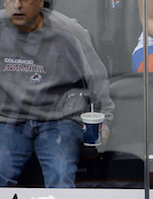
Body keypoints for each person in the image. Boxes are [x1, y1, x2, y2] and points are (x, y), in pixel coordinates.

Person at [0, 0, 114, 188]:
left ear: (40, 2)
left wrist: (105, 121)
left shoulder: (69, 32)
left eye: (25, 0)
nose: (17, 5)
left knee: (60, 175)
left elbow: (97, 78)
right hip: (8, 118)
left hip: (58, 119)